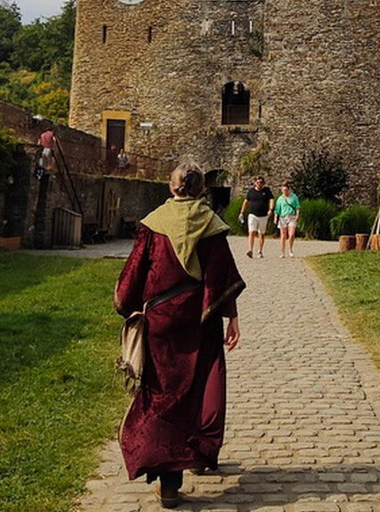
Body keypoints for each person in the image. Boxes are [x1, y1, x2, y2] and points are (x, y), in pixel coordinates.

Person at [114, 162, 245, 509]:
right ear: (202, 191)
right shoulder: (212, 226)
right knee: (197, 390)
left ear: (171, 188)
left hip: (160, 323)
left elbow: (133, 276)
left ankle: (170, 482)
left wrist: (125, 305)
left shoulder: (152, 225)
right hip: (199, 323)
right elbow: (221, 277)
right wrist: (231, 317)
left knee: (162, 396)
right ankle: (194, 454)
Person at [239, 175, 274, 259]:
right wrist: (242, 212)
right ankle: (250, 250)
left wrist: (271, 209)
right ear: (255, 183)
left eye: (261, 182)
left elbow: (271, 200)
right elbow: (246, 202)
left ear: (263, 183)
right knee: (252, 232)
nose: (259, 184)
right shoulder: (251, 192)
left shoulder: (267, 191)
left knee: (261, 234)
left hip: (263, 215)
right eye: (258, 182)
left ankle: (260, 251)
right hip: (252, 215)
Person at [273, 182, 301, 258]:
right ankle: (282, 252)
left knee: (291, 234)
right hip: (283, 217)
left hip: (291, 217)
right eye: (283, 190)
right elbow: (277, 209)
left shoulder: (294, 197)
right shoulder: (280, 199)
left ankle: (290, 249)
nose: (285, 191)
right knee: (283, 235)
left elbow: (297, 206)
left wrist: (297, 215)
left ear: (289, 190)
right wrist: (275, 217)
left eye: (286, 190)